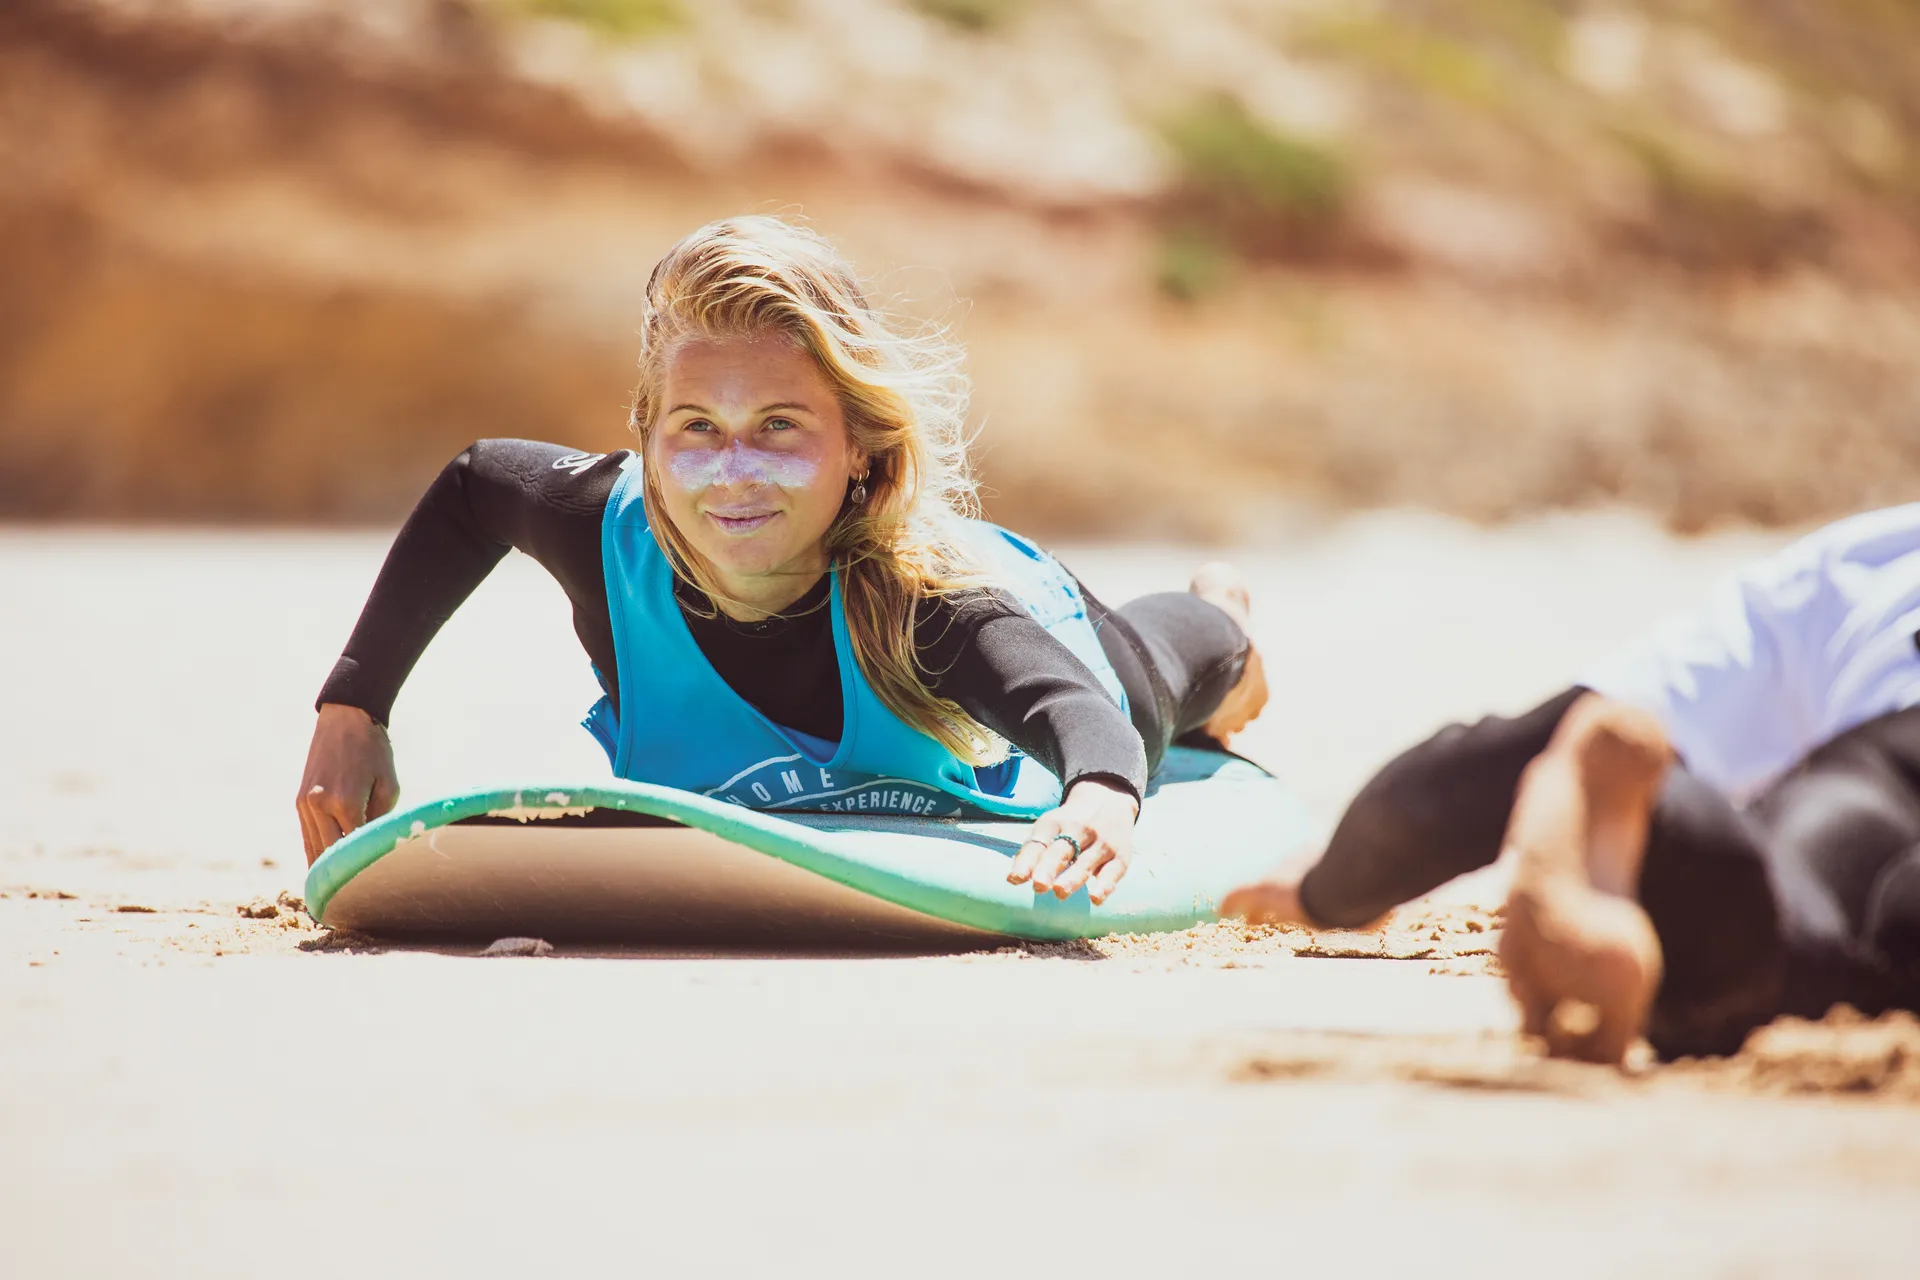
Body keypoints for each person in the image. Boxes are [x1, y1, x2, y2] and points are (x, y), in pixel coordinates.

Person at [297, 216, 1269, 907]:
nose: (732, 473)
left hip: (1055, 632)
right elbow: (475, 484)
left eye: (779, 426)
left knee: (1162, 676)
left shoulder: (923, 603)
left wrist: (1101, 787)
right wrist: (353, 706)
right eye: (695, 428)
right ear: (644, 440)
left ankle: (1225, 616)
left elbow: (1077, 713)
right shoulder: (605, 531)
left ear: (860, 448)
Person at [1225, 505, 1920, 1064]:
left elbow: (1486, 770)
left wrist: (1331, 887)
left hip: (1876, 766)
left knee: (1789, 932)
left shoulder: (1871, 564)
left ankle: (1659, 828)